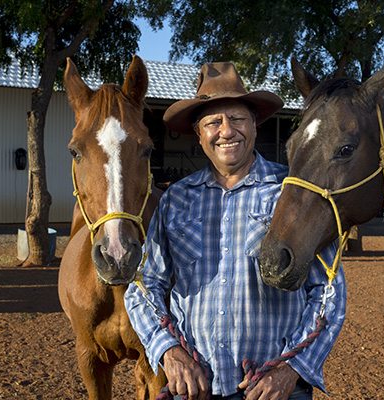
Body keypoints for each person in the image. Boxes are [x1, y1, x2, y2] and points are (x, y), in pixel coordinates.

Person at [124, 62, 346, 400]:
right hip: (194, 387)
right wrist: (171, 353)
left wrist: (292, 369)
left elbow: (328, 289)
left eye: (237, 119)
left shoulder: (292, 193)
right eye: (213, 122)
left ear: (255, 126)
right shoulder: (176, 200)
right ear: (199, 136)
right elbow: (143, 286)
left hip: (274, 390)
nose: (227, 131)